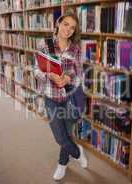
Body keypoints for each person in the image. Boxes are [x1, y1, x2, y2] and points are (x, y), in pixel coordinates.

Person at [34, 12, 88, 181]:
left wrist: (68, 78)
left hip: (69, 98)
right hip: (51, 97)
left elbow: (78, 75)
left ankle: (62, 163)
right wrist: (48, 75)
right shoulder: (45, 44)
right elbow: (36, 70)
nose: (68, 30)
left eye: (72, 27)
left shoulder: (75, 49)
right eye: (66, 24)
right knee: (60, 137)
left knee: (67, 134)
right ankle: (78, 152)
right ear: (58, 23)